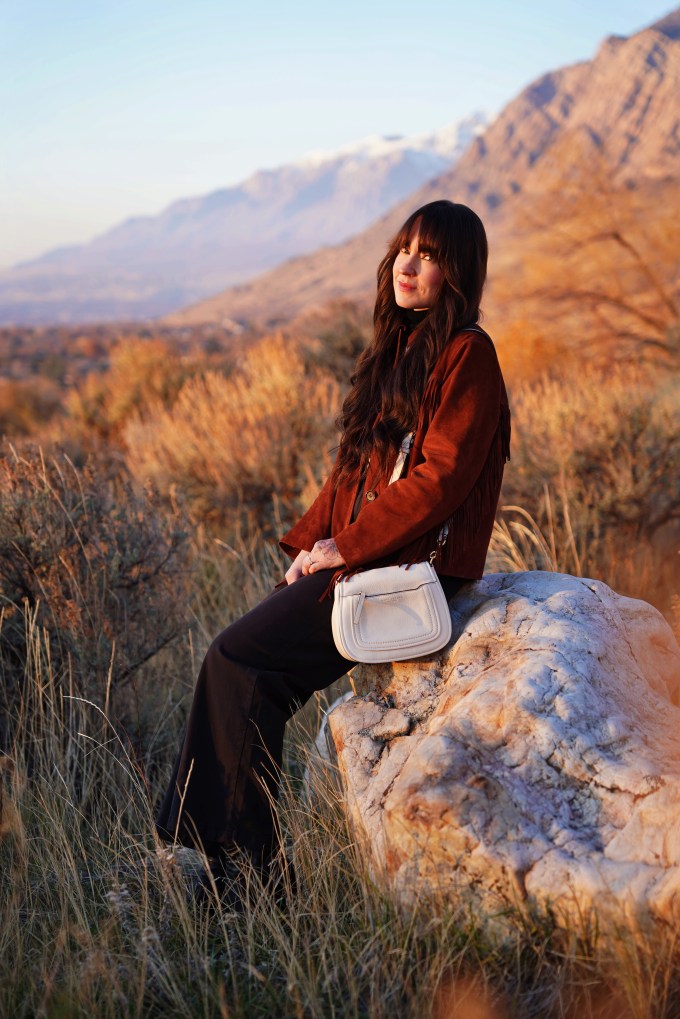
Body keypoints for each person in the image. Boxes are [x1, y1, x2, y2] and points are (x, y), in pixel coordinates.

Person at [156, 199, 511, 897]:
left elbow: (439, 480)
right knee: (243, 668)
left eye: (429, 255)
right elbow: (352, 470)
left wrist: (343, 548)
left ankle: (252, 878)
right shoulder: (399, 348)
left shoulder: (469, 354)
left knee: (239, 660)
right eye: (404, 249)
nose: (408, 265)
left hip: (410, 569)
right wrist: (314, 545)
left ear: (458, 271)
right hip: (367, 558)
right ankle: (239, 869)